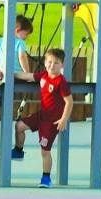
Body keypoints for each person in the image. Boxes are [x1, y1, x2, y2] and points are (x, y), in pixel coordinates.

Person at [12, 48, 73, 188]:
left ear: (62, 65)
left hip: (52, 122)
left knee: (45, 151)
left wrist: (64, 119)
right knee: (19, 126)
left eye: (56, 63)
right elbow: (28, 76)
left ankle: (46, 178)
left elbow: (69, 102)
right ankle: (18, 150)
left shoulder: (60, 82)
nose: (52, 65)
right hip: (42, 115)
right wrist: (11, 74)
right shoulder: (44, 75)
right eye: (50, 62)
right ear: (45, 63)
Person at [0, 15, 34, 80]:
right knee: (32, 77)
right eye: (26, 34)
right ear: (18, 30)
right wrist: (27, 72)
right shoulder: (20, 42)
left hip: (3, 72)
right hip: (15, 73)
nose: (26, 37)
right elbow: (22, 56)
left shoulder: (1, 40)